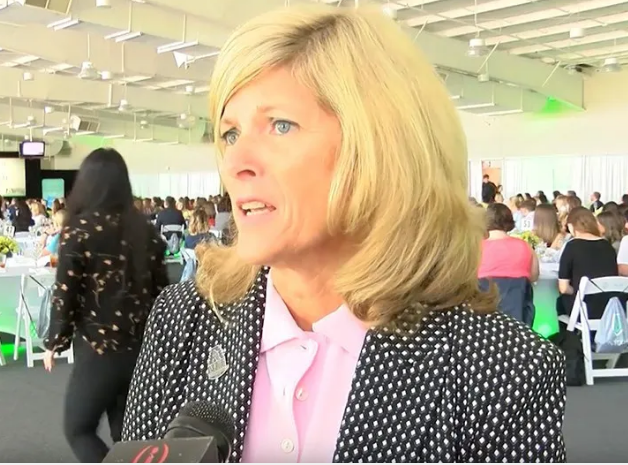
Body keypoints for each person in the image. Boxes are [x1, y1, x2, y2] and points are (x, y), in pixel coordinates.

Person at [122, 6, 566, 462]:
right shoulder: (184, 321)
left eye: (280, 125)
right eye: (230, 134)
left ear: (378, 149)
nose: (235, 164)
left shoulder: (501, 371)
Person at [43, 148, 169, 462]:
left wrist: (53, 342)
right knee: (129, 438)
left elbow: (65, 293)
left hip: (98, 350)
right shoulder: (146, 232)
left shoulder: (79, 231)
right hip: (142, 351)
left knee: (78, 429)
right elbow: (162, 295)